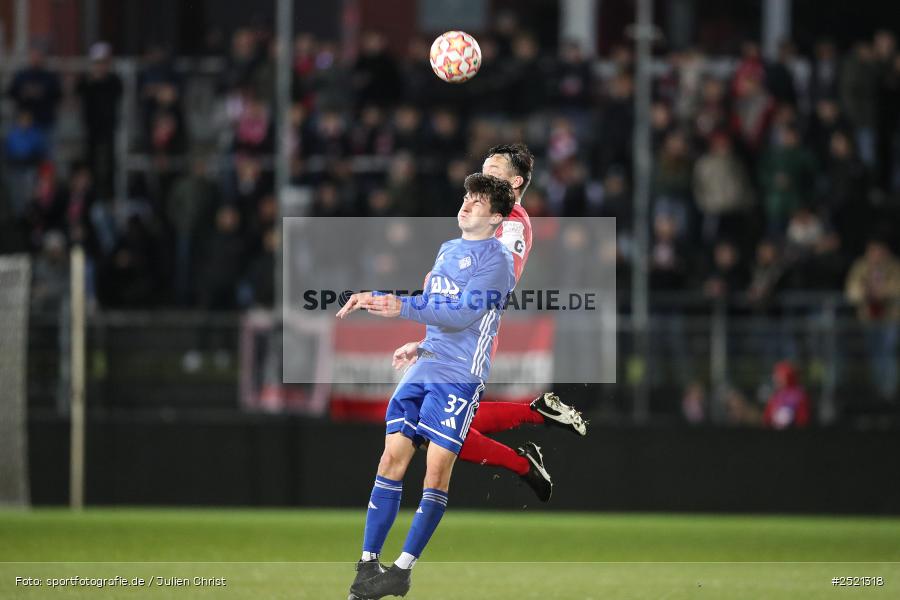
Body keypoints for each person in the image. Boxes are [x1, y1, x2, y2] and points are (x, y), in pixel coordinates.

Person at [337, 173, 517, 599]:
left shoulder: (498, 262)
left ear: (496, 218)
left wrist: (400, 306)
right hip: (427, 365)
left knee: (435, 472)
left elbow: (461, 315)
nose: (467, 204)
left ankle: (401, 570)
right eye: (467, 196)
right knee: (390, 459)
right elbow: (438, 309)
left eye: (478, 201)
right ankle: (367, 565)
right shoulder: (448, 248)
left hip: (460, 375)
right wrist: (420, 342)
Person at [392, 144, 588, 504]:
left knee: (437, 431)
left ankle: (528, 439)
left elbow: (499, 276)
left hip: (472, 334)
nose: (484, 175)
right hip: (453, 330)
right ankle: (532, 429)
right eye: (483, 169)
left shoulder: (512, 221)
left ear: (515, 183)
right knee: (438, 428)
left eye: (494, 170)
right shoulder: (482, 220)